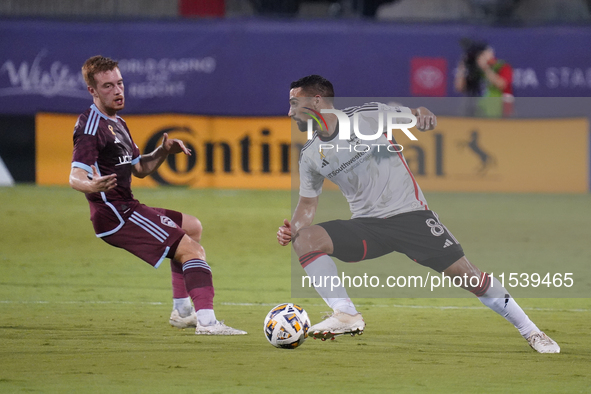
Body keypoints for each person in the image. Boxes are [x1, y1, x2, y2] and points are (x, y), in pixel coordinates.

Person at [277, 74, 559, 353]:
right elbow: (307, 205)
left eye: (294, 103)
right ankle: (345, 313)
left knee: (472, 278)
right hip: (366, 226)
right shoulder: (311, 154)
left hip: (410, 216)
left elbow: (417, 114)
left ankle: (533, 332)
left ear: (317, 100)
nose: (289, 112)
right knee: (305, 239)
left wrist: (423, 116)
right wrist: (293, 228)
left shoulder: (367, 116)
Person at [69, 55, 246, 336]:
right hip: (116, 215)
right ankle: (208, 323)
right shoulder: (91, 126)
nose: (117, 91)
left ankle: (183, 311)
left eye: (120, 83)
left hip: (128, 206)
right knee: (193, 251)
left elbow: (139, 168)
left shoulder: (118, 123)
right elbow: (75, 176)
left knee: (192, 227)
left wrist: (163, 151)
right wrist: (92, 186)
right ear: (92, 90)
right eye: (107, 86)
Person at [454, 39, 514, 117]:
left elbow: (502, 84)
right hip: (476, 113)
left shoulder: (501, 66)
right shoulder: (475, 69)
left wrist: (485, 67)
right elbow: (460, 88)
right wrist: (461, 70)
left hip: (498, 114)